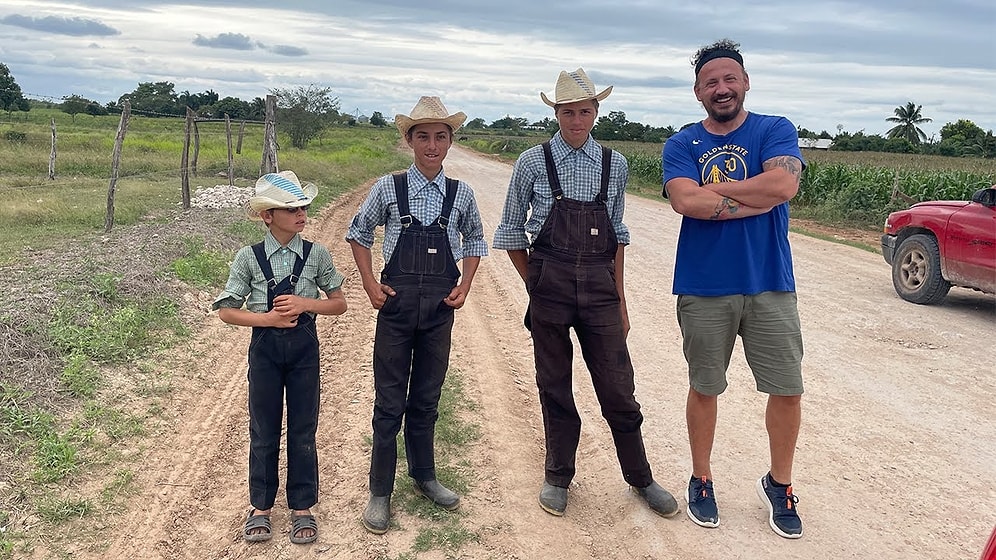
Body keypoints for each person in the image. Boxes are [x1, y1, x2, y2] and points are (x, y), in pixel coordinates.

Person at [493, 68, 679, 519]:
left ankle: (640, 477)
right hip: (549, 286)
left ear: (597, 112)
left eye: (585, 111)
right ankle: (558, 476)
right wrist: (534, 284)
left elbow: (617, 236)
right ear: (555, 113)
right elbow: (510, 230)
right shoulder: (533, 162)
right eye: (567, 112)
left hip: (599, 288)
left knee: (618, 388)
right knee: (554, 386)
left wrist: (621, 300)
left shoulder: (615, 164)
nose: (576, 120)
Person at [661, 38, 806, 539]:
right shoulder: (681, 144)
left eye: (729, 79)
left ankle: (779, 482)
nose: (720, 88)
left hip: (770, 281)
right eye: (710, 82)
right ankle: (701, 478)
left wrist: (714, 194)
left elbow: (782, 187)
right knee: (705, 386)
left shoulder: (775, 129)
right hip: (704, 286)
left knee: (787, 389)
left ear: (745, 82)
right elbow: (685, 202)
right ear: (697, 91)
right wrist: (753, 197)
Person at [346, 96, 488, 534]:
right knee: (389, 401)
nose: (432, 144)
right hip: (397, 305)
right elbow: (357, 232)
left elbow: (476, 240)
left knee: (427, 397)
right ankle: (380, 491)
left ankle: (424, 476)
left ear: (450, 141)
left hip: (439, 311)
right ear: (409, 140)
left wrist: (464, 285)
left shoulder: (460, 193)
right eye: (423, 136)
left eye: (440, 137)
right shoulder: (389, 188)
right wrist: (370, 283)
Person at [212, 170, 348, 544]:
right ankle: (261, 506)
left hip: (305, 349)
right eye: (290, 209)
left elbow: (339, 304)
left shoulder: (316, 254)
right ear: (266, 216)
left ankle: (302, 506)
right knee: (263, 429)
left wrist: (306, 303)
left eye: (303, 206)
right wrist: (267, 319)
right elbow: (226, 309)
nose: (301, 214)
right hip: (265, 350)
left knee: (304, 429)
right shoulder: (249, 258)